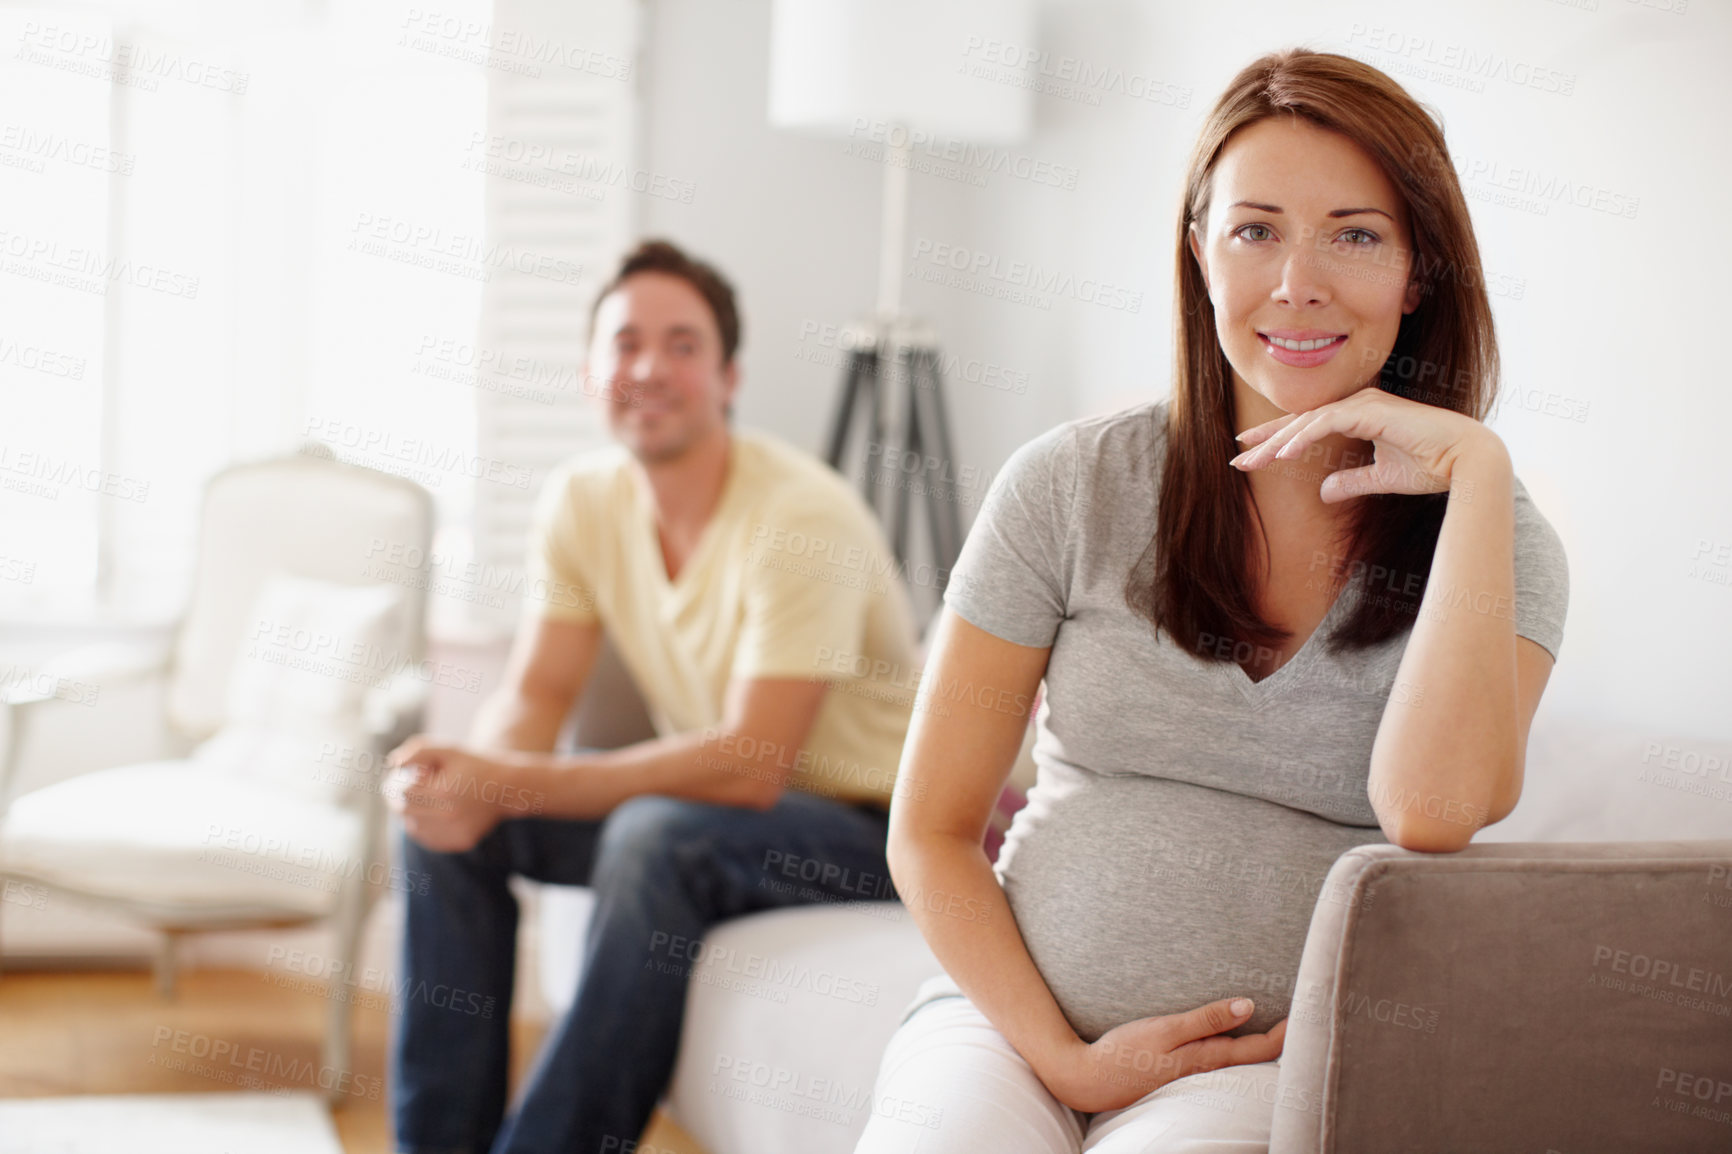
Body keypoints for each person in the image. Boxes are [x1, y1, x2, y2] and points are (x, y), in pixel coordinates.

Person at [854, 49, 1568, 1153]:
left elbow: (1431, 811)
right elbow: (933, 829)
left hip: (1269, 1062)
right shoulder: (1070, 482)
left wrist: (1475, 475)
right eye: (1255, 229)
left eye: (1355, 233)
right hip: (1007, 1031)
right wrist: (1064, 1057)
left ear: (1417, 273)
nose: (1297, 281)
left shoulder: (1498, 540)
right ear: (1198, 254)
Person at [384, 239, 923, 1154]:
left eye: (682, 345)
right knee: (444, 826)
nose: (649, 367)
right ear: (591, 373)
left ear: (728, 377)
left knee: (653, 833)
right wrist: (469, 778)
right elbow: (537, 693)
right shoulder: (582, 501)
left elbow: (752, 766)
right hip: (714, 817)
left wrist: (511, 782)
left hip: (861, 829)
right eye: (626, 343)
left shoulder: (802, 515)